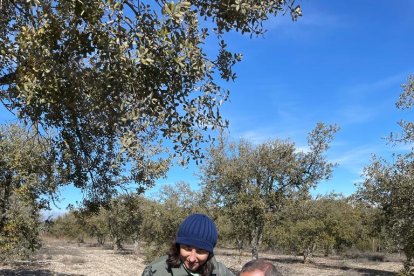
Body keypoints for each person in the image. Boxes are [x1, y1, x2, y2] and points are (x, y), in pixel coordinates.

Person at [142, 213, 234, 276]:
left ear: (209, 252)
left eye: (200, 251)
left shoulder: (220, 271)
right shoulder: (156, 272)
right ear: (178, 246)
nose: (192, 258)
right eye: (187, 248)